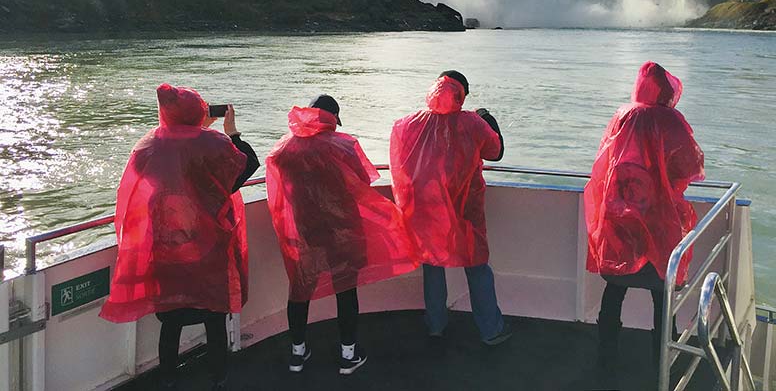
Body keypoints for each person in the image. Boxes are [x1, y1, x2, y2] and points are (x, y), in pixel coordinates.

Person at [100, 84, 260, 391]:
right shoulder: (212, 143)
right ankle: (219, 378)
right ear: (198, 113)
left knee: (171, 320)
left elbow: (138, 188)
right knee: (214, 315)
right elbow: (245, 166)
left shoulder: (147, 146)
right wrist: (231, 132)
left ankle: (168, 379)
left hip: (166, 248)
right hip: (208, 247)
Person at [265, 94, 418, 375]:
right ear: (333, 118)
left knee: (300, 291)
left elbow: (277, 187)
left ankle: (297, 353)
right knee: (346, 290)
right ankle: (348, 354)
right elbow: (361, 181)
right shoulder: (344, 144)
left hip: (304, 230)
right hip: (342, 231)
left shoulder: (284, 148)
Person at [583, 62, 704, 383]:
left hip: (619, 214)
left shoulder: (623, 116)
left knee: (615, 288)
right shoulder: (671, 120)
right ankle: (662, 361)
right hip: (659, 217)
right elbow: (689, 165)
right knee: (662, 294)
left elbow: (604, 165)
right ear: (667, 91)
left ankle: (605, 360)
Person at [389, 71, 511, 345]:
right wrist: (488, 121)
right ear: (462, 94)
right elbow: (496, 152)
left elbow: (401, 156)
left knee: (433, 265)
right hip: (465, 209)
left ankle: (435, 326)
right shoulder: (472, 122)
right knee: (476, 265)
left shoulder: (410, 123)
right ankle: (491, 330)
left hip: (427, 210)